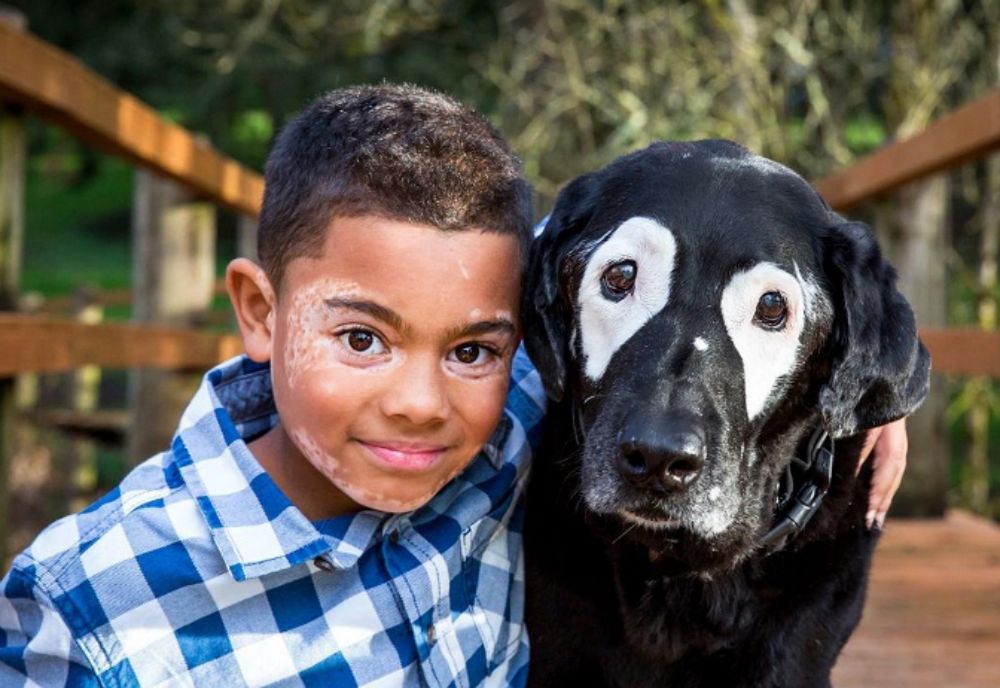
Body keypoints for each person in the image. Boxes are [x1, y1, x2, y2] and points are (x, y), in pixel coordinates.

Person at [0, 84, 907, 687]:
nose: (420, 401)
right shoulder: (87, 601)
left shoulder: (493, 430)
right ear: (259, 311)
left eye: (473, 349)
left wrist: (859, 388)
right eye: (362, 337)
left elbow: (621, 253)